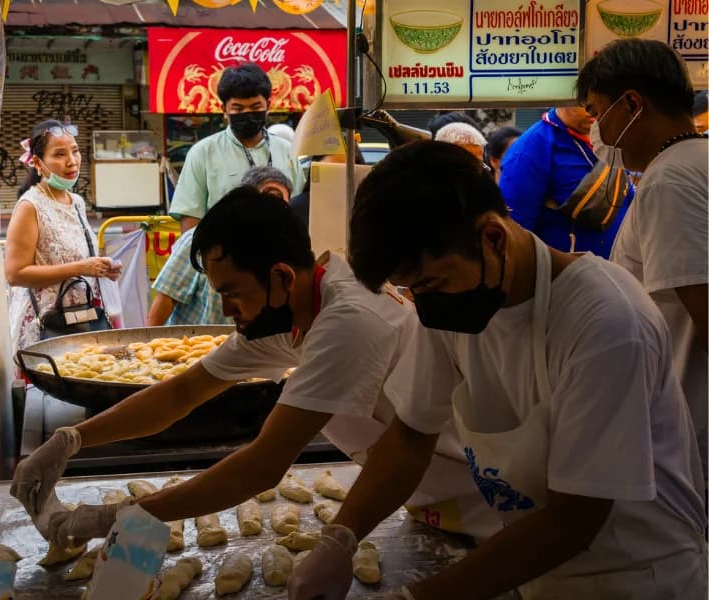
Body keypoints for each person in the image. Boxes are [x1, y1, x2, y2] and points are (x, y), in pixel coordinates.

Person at [287, 141, 706, 600]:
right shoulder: (450, 307)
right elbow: (410, 436)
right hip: (536, 571)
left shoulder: (606, 322)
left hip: (639, 578)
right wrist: (341, 535)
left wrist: (416, 598)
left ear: (493, 237)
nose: (424, 302)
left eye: (431, 282)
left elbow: (575, 518)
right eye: (411, 289)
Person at [11, 185, 499, 552]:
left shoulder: (349, 321)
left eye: (232, 293)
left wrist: (115, 517)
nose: (227, 311)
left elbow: (263, 465)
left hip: (481, 501)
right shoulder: (289, 308)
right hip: (422, 497)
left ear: (281, 276)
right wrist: (70, 441)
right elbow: (181, 393)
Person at [576, 38, 708, 482]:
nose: (597, 131)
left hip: (691, 434)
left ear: (632, 104)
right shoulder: (696, 162)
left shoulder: (670, 180)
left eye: (597, 113)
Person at [5, 119, 120, 351]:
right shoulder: (30, 206)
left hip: (82, 321)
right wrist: (81, 268)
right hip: (45, 328)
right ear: (37, 162)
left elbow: (80, 259)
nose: (72, 161)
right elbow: (14, 274)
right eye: (59, 154)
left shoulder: (76, 202)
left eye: (75, 151)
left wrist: (101, 269)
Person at [147, 166, 293, 326]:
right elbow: (165, 300)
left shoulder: (279, 254)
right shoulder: (201, 240)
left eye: (280, 205)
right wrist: (150, 340)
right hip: (191, 340)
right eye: (267, 201)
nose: (272, 213)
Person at [168, 62, 304, 234]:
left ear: (268, 106)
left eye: (255, 107)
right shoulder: (202, 153)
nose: (247, 113)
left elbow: (299, 211)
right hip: (223, 249)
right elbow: (190, 221)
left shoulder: (288, 150)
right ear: (224, 110)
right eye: (238, 108)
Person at [498, 106, 634, 258]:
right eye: (583, 102)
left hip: (619, 265)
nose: (592, 108)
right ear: (562, 101)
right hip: (567, 269)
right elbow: (515, 231)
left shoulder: (610, 138)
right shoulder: (529, 150)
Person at [289, 140, 366, 228]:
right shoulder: (296, 209)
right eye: (331, 171)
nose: (338, 179)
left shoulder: (366, 210)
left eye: (345, 172)